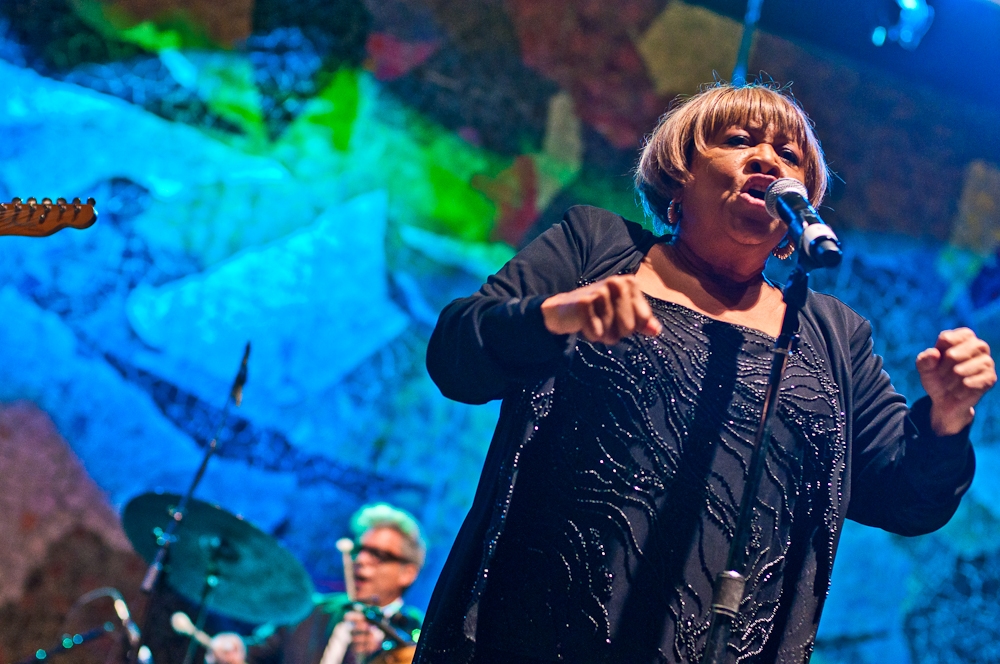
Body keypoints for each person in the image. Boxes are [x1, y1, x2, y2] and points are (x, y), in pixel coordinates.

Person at [414, 82, 997, 664]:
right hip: (537, 632)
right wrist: (554, 316)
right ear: (679, 176)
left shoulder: (832, 334)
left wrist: (947, 416)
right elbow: (456, 360)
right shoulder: (595, 248)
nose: (767, 158)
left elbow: (905, 498)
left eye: (789, 156)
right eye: (740, 140)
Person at [209, 503, 425, 664]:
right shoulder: (311, 611)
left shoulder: (418, 633)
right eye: (359, 550)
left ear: (407, 573)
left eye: (377, 554)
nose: (360, 560)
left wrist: (383, 655)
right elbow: (253, 652)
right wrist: (232, 648)